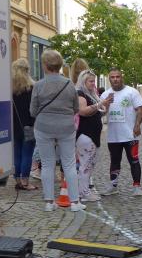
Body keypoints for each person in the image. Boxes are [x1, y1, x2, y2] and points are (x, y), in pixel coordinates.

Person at [29, 49, 84, 212]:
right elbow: (76, 108)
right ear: (59, 65)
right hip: (66, 127)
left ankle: (49, 202)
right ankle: (74, 202)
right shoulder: (69, 85)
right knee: (69, 163)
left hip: (43, 127)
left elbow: (32, 111)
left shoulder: (38, 85)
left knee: (47, 164)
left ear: (45, 65)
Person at [100, 68, 142, 196]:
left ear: (121, 77)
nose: (115, 79)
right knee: (114, 161)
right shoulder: (105, 95)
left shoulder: (131, 92)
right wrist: (106, 105)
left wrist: (137, 125)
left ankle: (137, 186)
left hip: (130, 135)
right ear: (109, 79)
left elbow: (141, 109)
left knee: (134, 160)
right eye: (112, 77)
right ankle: (113, 186)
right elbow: (101, 113)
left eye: (117, 76)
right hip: (113, 136)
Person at [75, 70, 110, 202]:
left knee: (91, 163)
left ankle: (83, 191)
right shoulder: (80, 94)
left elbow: (99, 113)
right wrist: (100, 104)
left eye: (94, 81)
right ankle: (84, 192)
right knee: (86, 164)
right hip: (85, 134)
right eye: (91, 81)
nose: (93, 84)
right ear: (83, 81)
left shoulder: (91, 94)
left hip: (93, 135)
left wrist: (106, 105)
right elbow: (82, 111)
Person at [11, 59, 37, 191]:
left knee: (17, 153)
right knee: (27, 154)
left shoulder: (10, 88)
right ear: (27, 70)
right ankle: (25, 182)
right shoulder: (32, 88)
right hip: (29, 125)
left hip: (14, 126)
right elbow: (34, 109)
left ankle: (17, 179)